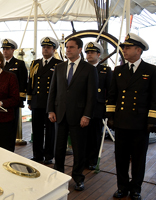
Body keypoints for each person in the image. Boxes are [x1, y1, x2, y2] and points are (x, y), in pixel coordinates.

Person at [106, 33, 156, 200]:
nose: (124, 50)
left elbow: (155, 98)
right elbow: (112, 95)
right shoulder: (119, 70)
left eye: (127, 47)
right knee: (121, 158)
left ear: (138, 50)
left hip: (140, 124)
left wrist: (152, 121)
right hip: (121, 122)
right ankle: (122, 187)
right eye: (123, 47)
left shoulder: (152, 70)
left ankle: (136, 188)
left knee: (138, 159)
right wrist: (110, 116)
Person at [47, 37, 98, 191]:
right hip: (60, 114)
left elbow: (92, 95)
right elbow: (53, 91)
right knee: (59, 148)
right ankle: (59, 176)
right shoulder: (60, 67)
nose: (68, 50)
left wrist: (87, 115)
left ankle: (78, 178)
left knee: (79, 149)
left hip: (79, 116)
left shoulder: (89, 69)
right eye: (66, 47)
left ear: (79, 49)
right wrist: (50, 110)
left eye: (71, 47)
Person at [27, 36, 63, 164]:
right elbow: (31, 82)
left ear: (54, 49)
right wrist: (30, 99)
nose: (45, 49)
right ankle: (37, 155)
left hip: (50, 103)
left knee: (50, 131)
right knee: (36, 130)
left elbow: (60, 86)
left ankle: (48, 156)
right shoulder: (35, 63)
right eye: (44, 47)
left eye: (48, 47)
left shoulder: (59, 64)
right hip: (37, 101)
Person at [84, 42, 112, 170]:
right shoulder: (81, 69)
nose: (89, 54)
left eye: (92, 52)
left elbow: (110, 90)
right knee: (81, 135)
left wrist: (108, 109)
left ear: (99, 54)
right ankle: (82, 159)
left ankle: (92, 160)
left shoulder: (105, 71)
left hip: (97, 108)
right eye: (87, 52)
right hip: (82, 107)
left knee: (95, 135)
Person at [1, 38, 28, 144]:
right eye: (3, 49)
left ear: (13, 50)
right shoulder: (0, 64)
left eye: (7, 49)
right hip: (1, 100)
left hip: (13, 100)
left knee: (12, 125)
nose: (5, 51)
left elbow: (22, 82)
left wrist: (21, 99)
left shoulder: (19, 64)